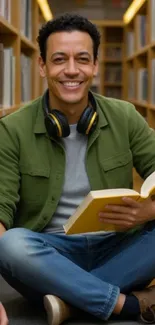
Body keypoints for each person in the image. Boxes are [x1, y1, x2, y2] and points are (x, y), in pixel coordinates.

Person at [1, 12, 155, 325]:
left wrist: (148, 213)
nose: (72, 70)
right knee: (11, 244)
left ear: (95, 65)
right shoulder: (11, 129)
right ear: (42, 66)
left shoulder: (125, 117)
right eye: (59, 59)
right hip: (47, 254)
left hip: (117, 246)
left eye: (82, 59)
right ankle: (127, 304)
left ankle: (69, 299)